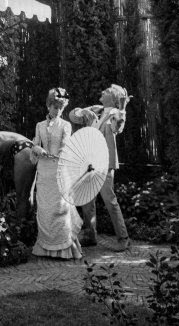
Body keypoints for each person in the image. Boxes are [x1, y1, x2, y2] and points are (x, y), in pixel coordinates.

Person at [68, 84, 131, 251]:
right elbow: (72, 116)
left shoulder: (114, 114)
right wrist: (81, 112)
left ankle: (123, 238)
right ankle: (90, 234)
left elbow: (118, 126)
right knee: (87, 200)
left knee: (110, 201)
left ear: (114, 98)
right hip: (90, 164)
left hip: (103, 164)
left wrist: (122, 109)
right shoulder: (96, 109)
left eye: (108, 91)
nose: (103, 91)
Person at [31, 88, 83, 259]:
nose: (58, 110)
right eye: (55, 107)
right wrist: (38, 149)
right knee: (45, 210)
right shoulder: (39, 125)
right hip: (43, 173)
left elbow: (67, 143)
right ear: (48, 106)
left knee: (60, 209)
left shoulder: (65, 125)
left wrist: (60, 151)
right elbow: (35, 144)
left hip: (59, 171)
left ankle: (64, 249)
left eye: (61, 108)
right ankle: (44, 248)